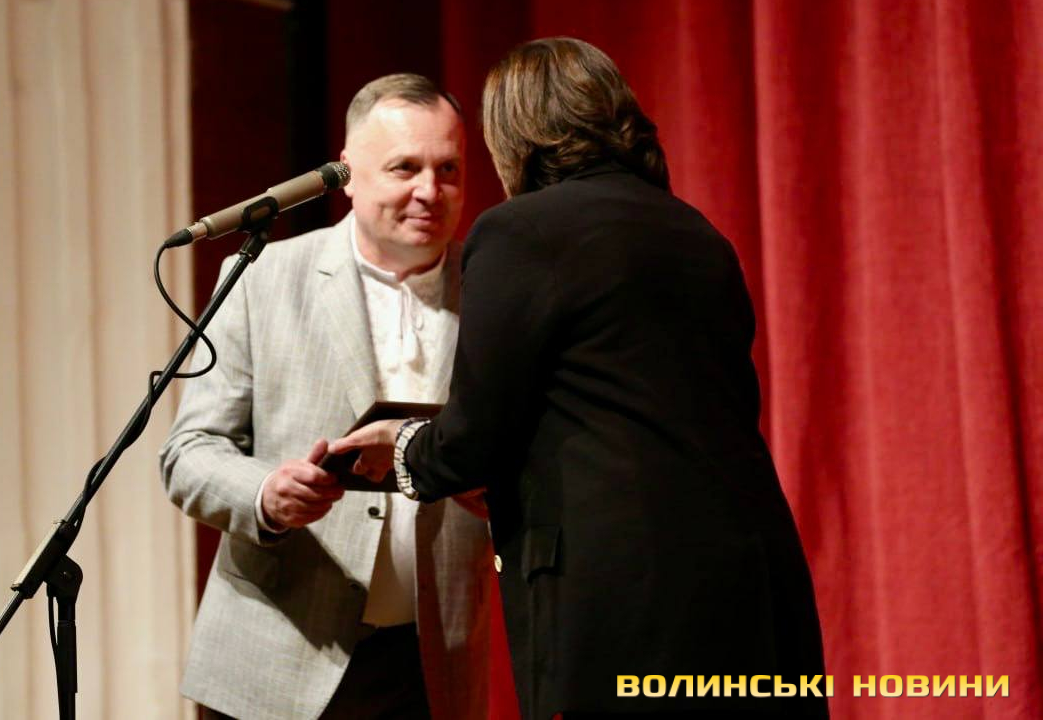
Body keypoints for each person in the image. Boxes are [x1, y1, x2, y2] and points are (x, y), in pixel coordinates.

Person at [331, 39, 828, 719]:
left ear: (514, 132)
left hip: (628, 599)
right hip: (754, 580)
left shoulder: (521, 233)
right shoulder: (697, 233)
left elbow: (477, 433)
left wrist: (403, 447)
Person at [159, 74, 493, 719]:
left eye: (448, 169)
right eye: (405, 168)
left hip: (431, 665)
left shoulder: (493, 290)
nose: (430, 191)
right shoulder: (261, 278)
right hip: (276, 659)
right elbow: (188, 453)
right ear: (347, 174)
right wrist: (265, 494)